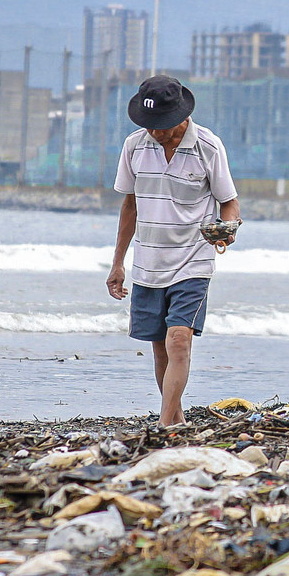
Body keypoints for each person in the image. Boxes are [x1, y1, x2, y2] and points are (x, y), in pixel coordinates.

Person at [107, 75, 240, 427]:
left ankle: (165, 426)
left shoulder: (208, 147)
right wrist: (118, 263)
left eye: (162, 125)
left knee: (178, 339)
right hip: (148, 262)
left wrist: (227, 231)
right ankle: (176, 420)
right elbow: (129, 207)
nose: (156, 132)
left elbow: (229, 203)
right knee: (159, 348)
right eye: (150, 125)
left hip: (193, 259)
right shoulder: (134, 146)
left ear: (182, 116)